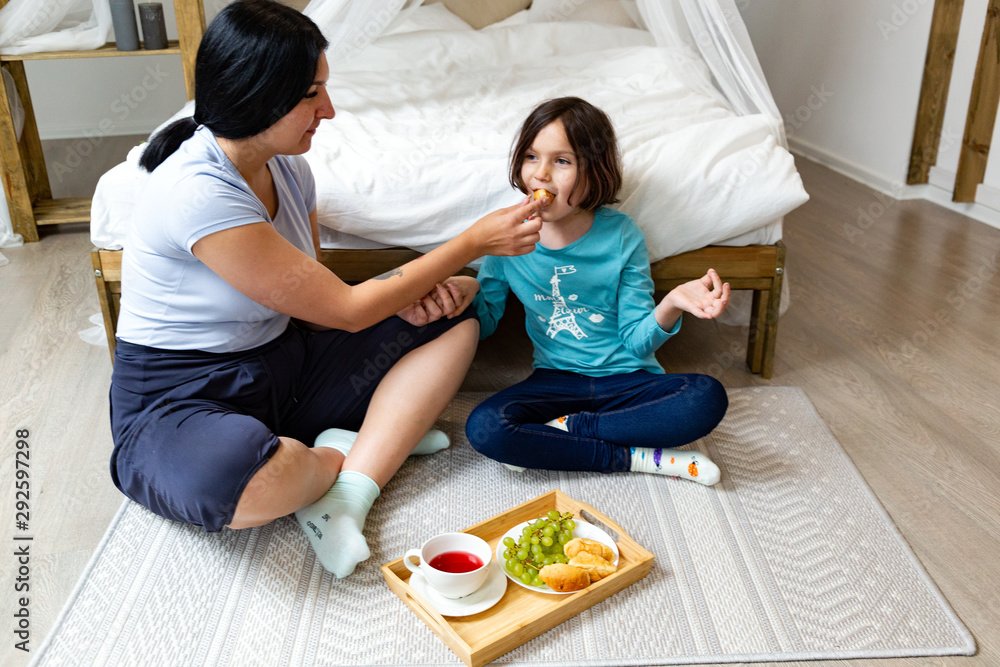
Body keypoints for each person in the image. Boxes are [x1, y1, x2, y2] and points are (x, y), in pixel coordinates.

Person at [109, 0, 543, 579]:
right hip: (182, 396)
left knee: (455, 319)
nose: (330, 110)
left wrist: (423, 294)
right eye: (313, 94)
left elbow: (317, 310)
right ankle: (349, 449)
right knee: (238, 480)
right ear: (260, 94)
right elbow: (345, 310)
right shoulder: (198, 193)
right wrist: (470, 244)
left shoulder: (290, 169)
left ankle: (348, 488)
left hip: (285, 367)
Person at [465, 97, 730, 484]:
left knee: (705, 396)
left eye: (562, 161)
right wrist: (461, 291)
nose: (540, 175)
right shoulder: (507, 236)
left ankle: (564, 432)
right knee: (485, 428)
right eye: (531, 157)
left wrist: (671, 304)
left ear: (594, 171)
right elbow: (485, 323)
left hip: (628, 379)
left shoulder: (621, 235)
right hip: (554, 380)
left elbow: (637, 343)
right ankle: (642, 459)